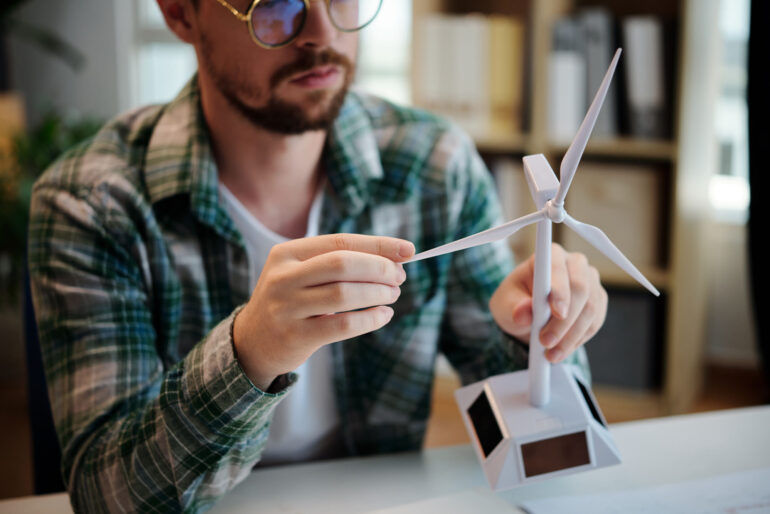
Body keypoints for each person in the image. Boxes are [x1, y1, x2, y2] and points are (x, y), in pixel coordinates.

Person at [27, 0, 608, 511]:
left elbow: (543, 443)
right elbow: (107, 497)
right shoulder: (94, 202)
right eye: (275, 5)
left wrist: (537, 333)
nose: (322, 33)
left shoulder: (434, 166)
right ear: (180, 12)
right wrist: (250, 352)